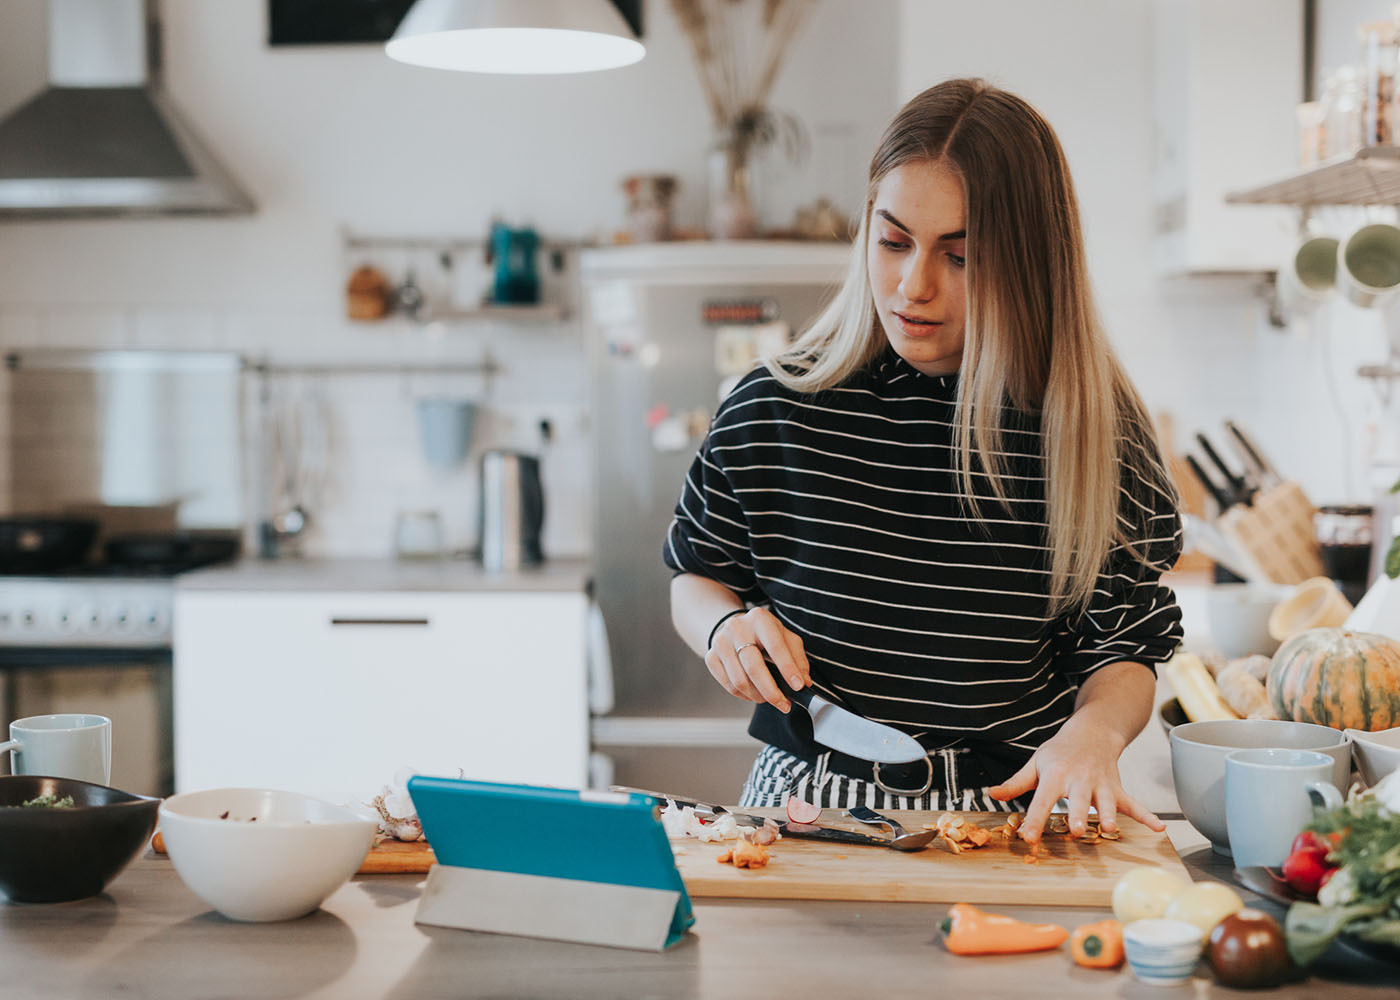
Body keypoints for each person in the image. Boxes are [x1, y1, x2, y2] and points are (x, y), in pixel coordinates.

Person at [662, 77, 1183, 846]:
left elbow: (1125, 648)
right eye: (893, 240)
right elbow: (697, 573)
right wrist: (722, 629)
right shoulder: (777, 405)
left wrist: (1096, 734)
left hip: (1015, 810)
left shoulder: (1094, 436)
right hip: (807, 802)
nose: (914, 287)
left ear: (1032, 262)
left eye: (962, 256)